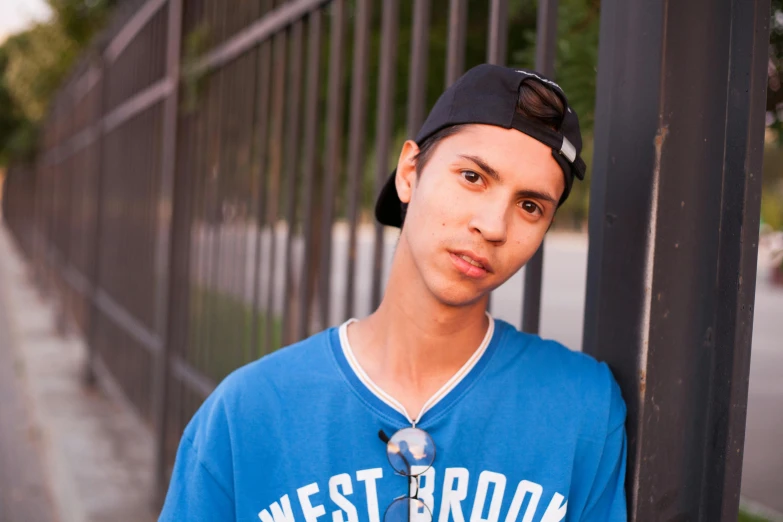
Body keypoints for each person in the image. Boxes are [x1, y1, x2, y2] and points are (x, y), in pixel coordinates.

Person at [159, 63, 627, 522]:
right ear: (409, 171)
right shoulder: (248, 413)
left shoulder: (582, 409)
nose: (492, 225)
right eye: (472, 177)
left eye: (529, 206)